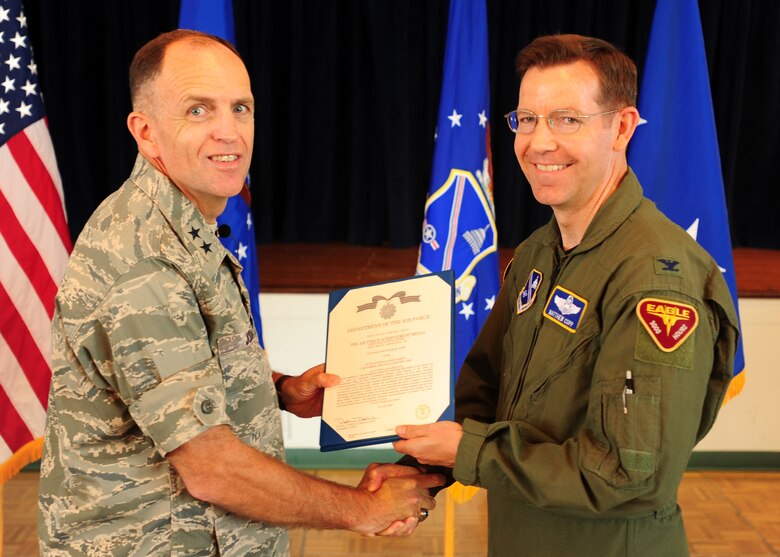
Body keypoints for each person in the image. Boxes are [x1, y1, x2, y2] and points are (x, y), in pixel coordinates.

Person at [38, 29, 441, 556]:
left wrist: (278, 389)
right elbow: (211, 469)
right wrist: (363, 509)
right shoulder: (144, 261)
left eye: (241, 108)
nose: (229, 132)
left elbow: (169, 379)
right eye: (198, 111)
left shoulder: (180, 225)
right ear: (146, 132)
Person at [389, 34, 739, 556]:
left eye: (566, 119)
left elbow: (625, 473)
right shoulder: (537, 253)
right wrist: (416, 469)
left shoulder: (657, 281)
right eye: (527, 119)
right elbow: (484, 390)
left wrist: (469, 454)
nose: (539, 142)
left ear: (621, 127)